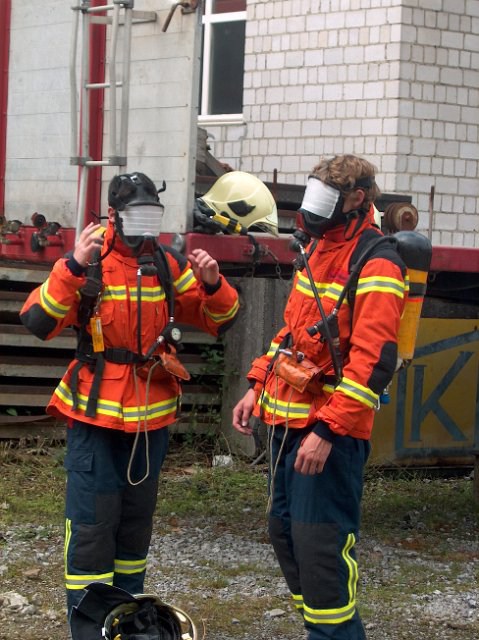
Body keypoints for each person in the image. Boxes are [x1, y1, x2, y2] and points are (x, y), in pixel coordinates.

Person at [20, 171, 240, 618]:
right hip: (95, 420)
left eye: (152, 216)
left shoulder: (166, 263)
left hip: (149, 422)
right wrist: (71, 267)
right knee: (91, 528)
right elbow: (38, 322)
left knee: (135, 529)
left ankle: (126, 620)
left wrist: (214, 283)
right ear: (114, 215)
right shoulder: (89, 262)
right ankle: (89, 624)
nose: (145, 226)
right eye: (137, 215)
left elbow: (220, 319)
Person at [232, 155, 408, 640]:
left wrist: (328, 430)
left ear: (357, 199)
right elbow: (293, 334)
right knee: (285, 534)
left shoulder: (376, 260)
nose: (312, 209)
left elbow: (374, 362)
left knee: (320, 552)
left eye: (325, 198)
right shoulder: (316, 249)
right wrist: (257, 385)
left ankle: (334, 633)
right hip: (288, 427)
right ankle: (323, 629)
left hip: (329, 435)